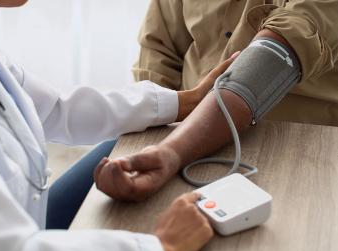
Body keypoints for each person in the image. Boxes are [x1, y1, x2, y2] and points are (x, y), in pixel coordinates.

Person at [0, 0, 239, 251]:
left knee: (114, 148)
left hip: (24, 227)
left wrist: (183, 102)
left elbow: (59, 108)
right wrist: (159, 248)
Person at [95, 1, 338, 199]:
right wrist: (156, 131)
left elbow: (275, 56)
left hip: (290, 145)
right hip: (176, 124)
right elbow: (159, 48)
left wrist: (171, 152)